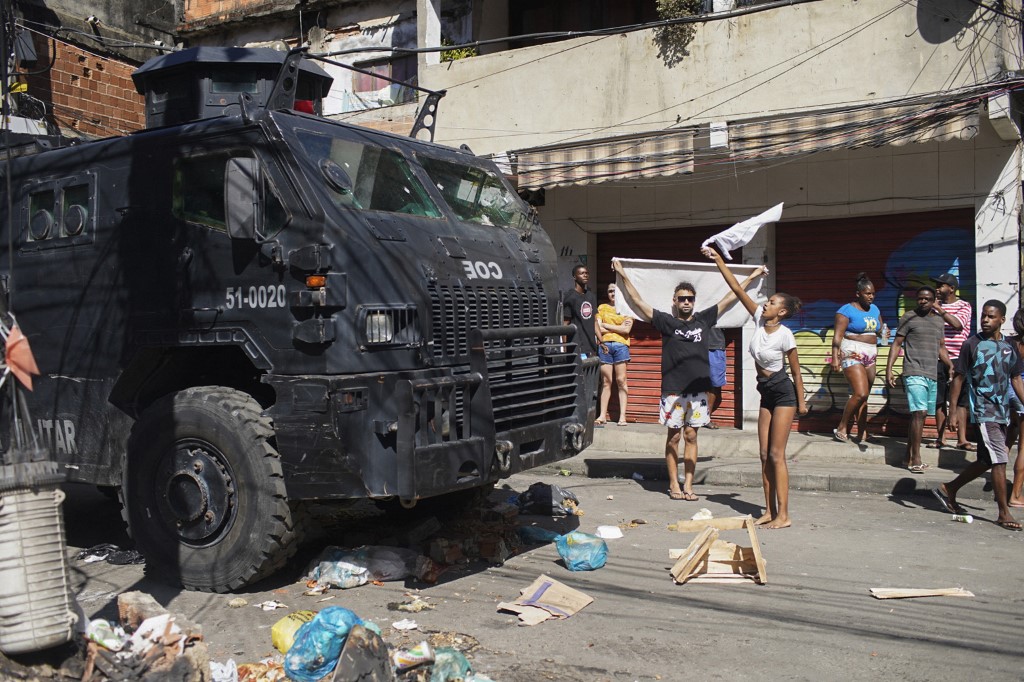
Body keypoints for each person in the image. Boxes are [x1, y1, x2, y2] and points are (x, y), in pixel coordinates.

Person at [611, 257, 762, 502]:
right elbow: (638, 301)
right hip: (672, 390)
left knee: (692, 436)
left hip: (699, 390)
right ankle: (673, 484)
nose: (686, 302)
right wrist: (622, 274)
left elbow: (731, 296)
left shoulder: (704, 319)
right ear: (674, 301)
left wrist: (753, 276)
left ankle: (689, 485)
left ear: (694, 301)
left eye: (689, 298)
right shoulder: (666, 322)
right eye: (681, 298)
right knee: (674, 437)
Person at [706, 247, 805, 528]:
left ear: (781, 311)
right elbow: (737, 288)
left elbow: (796, 373)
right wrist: (719, 261)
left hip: (784, 392)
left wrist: (802, 402)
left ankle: (784, 515)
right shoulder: (758, 320)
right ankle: (769, 510)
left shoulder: (786, 335)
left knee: (776, 454)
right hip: (766, 393)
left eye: (772, 302)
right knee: (762, 455)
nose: (766, 304)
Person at [933, 300, 1024, 531]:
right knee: (1000, 459)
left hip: (1002, 411)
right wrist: (953, 411)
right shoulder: (972, 344)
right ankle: (1004, 513)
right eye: (983, 315)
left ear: (1002, 320)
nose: (985, 320)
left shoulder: (1010, 347)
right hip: (983, 411)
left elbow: (1015, 379)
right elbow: (959, 378)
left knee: (986, 460)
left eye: (991, 316)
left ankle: (948, 489)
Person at [885, 286, 952, 473]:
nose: (923, 301)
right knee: (919, 413)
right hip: (913, 371)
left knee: (920, 415)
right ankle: (916, 459)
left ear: (934, 301)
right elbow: (897, 343)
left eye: (927, 299)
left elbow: (941, 347)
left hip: (932, 373)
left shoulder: (938, 321)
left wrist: (950, 364)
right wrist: (889, 369)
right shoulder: (908, 317)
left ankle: (907, 456)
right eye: (920, 298)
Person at [831, 273, 887, 443]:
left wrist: (884, 333)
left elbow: (879, 329)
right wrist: (835, 357)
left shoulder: (875, 309)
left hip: (871, 352)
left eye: (873, 294)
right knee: (860, 392)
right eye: (867, 293)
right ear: (858, 293)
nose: (871, 297)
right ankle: (842, 426)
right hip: (852, 351)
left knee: (864, 396)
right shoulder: (845, 311)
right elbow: (837, 336)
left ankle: (862, 432)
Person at [929, 273, 973, 450]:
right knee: (940, 400)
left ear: (952, 288)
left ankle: (962, 439)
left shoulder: (964, 306)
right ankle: (941, 438)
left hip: (959, 359)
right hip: (938, 358)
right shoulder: (934, 308)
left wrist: (940, 310)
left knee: (961, 401)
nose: (937, 289)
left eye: (941, 286)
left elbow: (957, 325)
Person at [595, 284, 632, 425]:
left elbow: (627, 329)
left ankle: (622, 416)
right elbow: (598, 328)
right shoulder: (602, 308)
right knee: (606, 382)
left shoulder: (627, 309)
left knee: (621, 381)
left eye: (615, 291)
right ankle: (602, 416)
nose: (612, 293)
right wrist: (618, 328)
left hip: (621, 346)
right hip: (604, 346)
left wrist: (607, 326)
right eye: (610, 291)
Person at [563, 264, 599, 360]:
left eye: (587, 273)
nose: (585, 275)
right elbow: (565, 324)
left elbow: (595, 321)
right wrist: (566, 348)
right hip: (577, 347)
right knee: (581, 375)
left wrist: (601, 341)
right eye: (582, 273)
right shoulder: (570, 297)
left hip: (591, 348)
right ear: (574, 277)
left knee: (591, 374)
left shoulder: (591, 296)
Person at [1008, 309, 1024, 509]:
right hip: (1020, 389)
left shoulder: (1009, 342)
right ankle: (1016, 494)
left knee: (1011, 431)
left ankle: (998, 476)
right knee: (1023, 448)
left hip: (1007, 390)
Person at [706, 326, 726, 429]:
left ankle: (706, 418)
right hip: (693, 345)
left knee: (714, 383)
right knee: (692, 383)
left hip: (715, 345)